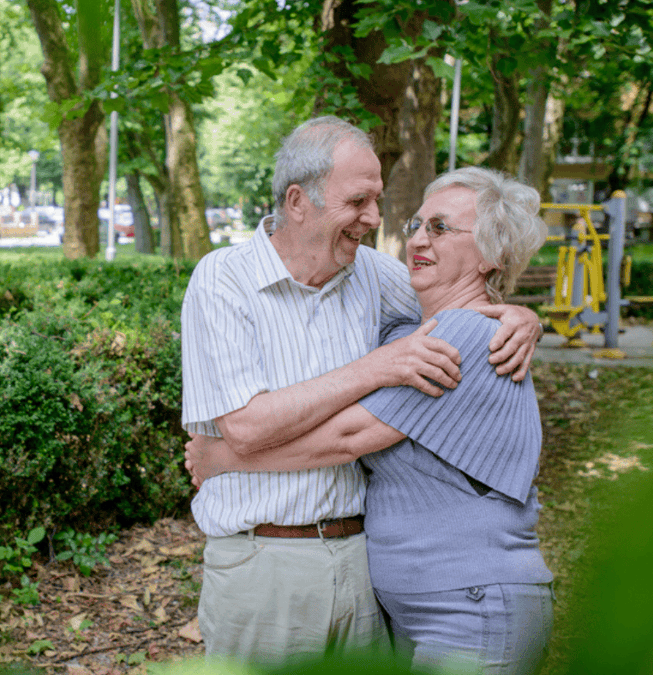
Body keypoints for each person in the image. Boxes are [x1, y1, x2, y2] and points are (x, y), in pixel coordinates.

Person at [180, 115, 543, 664]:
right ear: (298, 201)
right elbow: (248, 425)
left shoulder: (375, 276)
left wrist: (523, 316)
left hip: (368, 570)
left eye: (378, 201)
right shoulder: (224, 278)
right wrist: (377, 366)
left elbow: (460, 305)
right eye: (358, 202)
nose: (378, 221)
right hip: (267, 563)